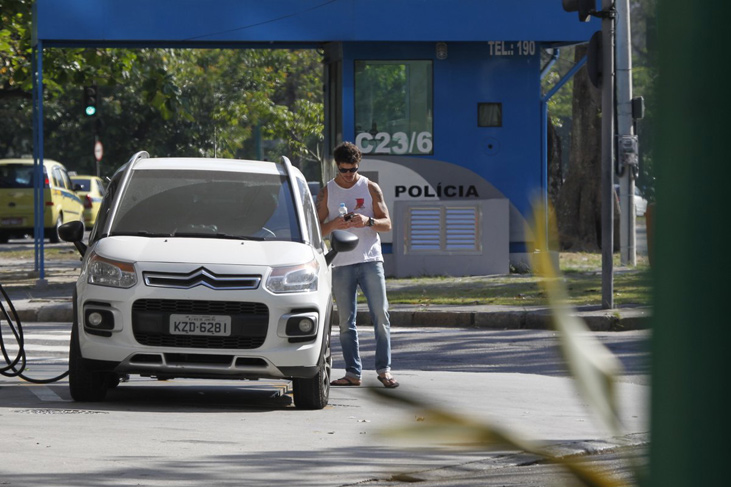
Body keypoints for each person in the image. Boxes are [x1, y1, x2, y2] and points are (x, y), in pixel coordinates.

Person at [316, 141, 398, 388]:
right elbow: (317, 230)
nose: (349, 175)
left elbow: (387, 224)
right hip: (341, 263)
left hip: (371, 259)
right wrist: (335, 225)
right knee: (345, 322)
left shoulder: (370, 187)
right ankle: (353, 373)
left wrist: (367, 221)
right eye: (344, 170)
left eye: (353, 169)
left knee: (381, 315)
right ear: (336, 167)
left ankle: (384, 370)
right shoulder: (327, 192)